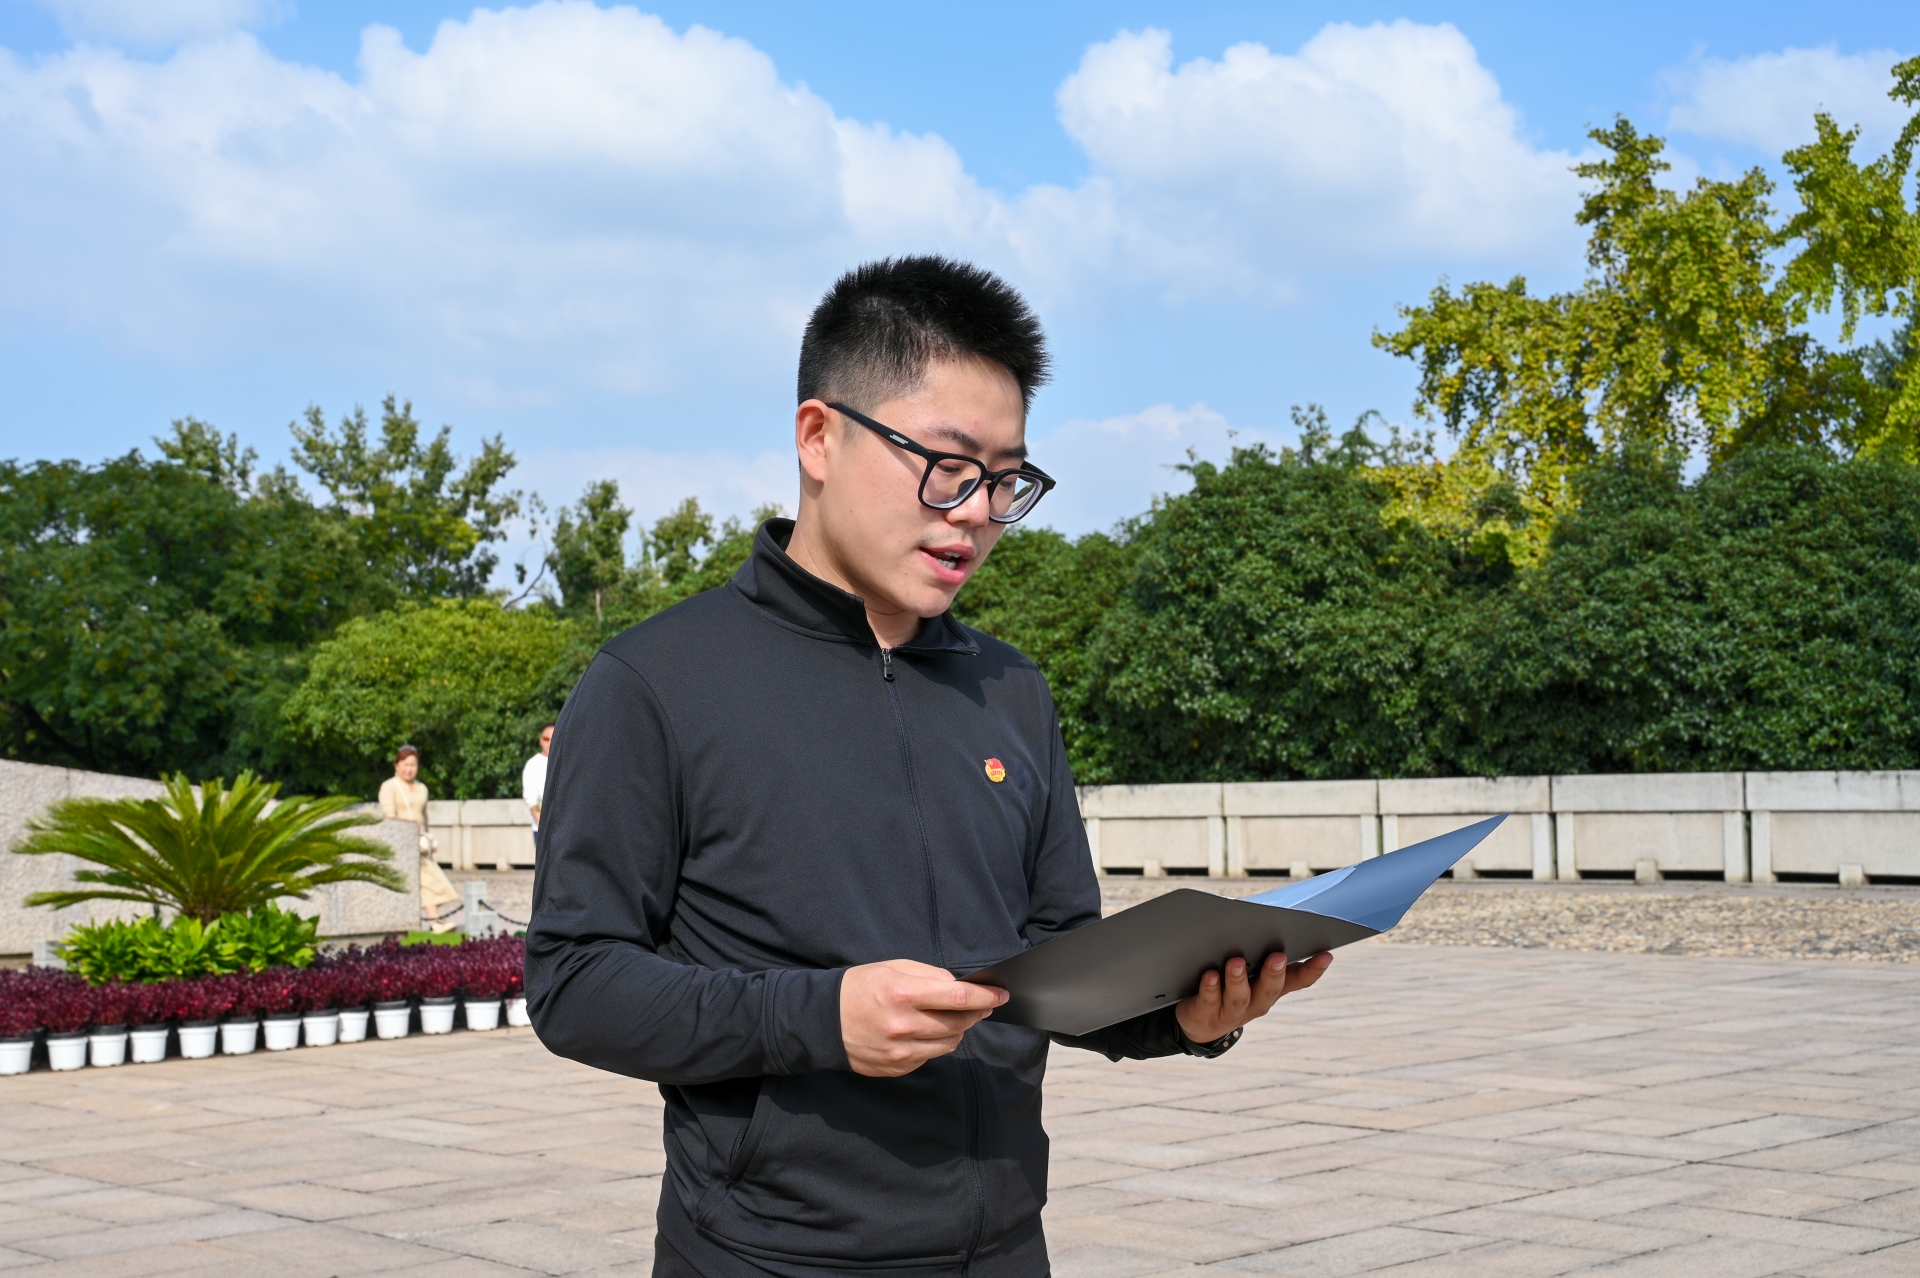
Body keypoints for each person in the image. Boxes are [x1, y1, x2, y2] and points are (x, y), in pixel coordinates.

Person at [526, 257, 1333, 1278]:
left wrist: (1183, 1016)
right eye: (947, 466)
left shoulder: (1011, 689)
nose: (977, 512)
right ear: (819, 437)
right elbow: (575, 980)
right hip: (770, 1254)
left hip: (1006, 1248)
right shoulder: (655, 683)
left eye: (1005, 480)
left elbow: (1054, 958)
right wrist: (820, 1019)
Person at [378, 745, 462, 932]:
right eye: (405, 764)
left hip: (421, 844)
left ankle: (433, 921)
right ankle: (434, 920)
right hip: (400, 842)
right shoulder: (389, 786)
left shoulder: (422, 788)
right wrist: (406, 837)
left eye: (413, 765)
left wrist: (430, 839)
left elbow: (424, 817)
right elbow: (389, 816)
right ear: (397, 765)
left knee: (429, 879)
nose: (409, 769)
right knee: (425, 880)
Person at [522, 723, 554, 853]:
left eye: (553, 738)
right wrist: (543, 825)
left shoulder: (567, 762)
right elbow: (531, 799)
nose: (549, 743)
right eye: (546, 739)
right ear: (541, 740)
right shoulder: (533, 764)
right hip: (541, 829)